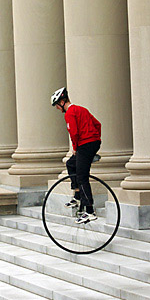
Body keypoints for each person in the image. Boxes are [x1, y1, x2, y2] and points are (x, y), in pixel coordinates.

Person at [51, 87, 101, 224]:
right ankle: (78, 195)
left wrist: (75, 148)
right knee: (70, 164)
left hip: (84, 145)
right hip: (93, 143)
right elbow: (98, 124)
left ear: (62, 102)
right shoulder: (82, 109)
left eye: (56, 105)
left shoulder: (70, 113)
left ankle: (89, 211)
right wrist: (96, 140)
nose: (57, 108)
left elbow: (74, 133)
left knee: (82, 176)